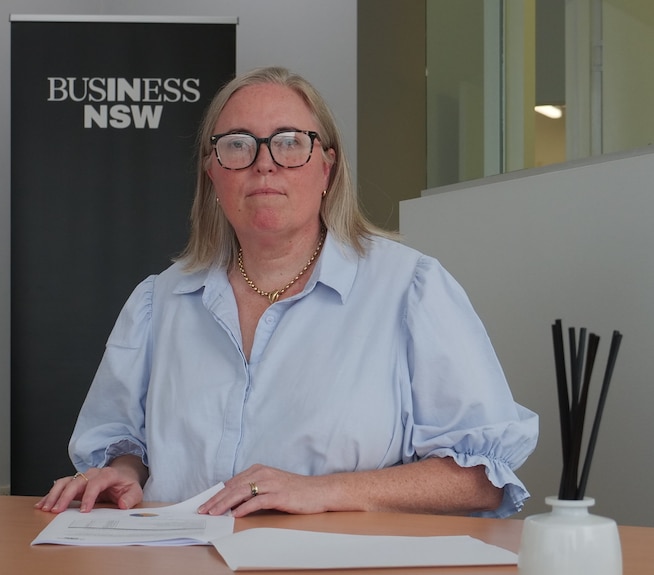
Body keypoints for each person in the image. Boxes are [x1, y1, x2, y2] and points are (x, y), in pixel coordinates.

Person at [35, 66, 538, 519]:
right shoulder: (158, 301)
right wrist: (122, 474)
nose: (264, 163)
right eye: (237, 144)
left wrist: (323, 491)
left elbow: (482, 479)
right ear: (212, 174)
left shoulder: (411, 290)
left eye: (290, 142)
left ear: (328, 167)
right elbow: (127, 445)